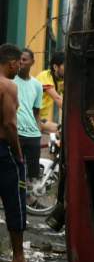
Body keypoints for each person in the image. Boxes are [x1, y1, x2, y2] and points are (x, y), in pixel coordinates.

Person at [0, 44, 27, 262]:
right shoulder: (8, 86)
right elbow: (9, 124)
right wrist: (18, 154)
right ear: (11, 63)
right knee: (14, 202)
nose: (20, 66)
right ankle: (18, 258)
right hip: (2, 151)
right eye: (19, 62)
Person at [14, 49, 43, 182]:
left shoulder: (37, 85)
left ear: (32, 62)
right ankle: (16, 199)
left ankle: (31, 200)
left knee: (33, 173)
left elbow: (36, 111)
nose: (21, 62)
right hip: (15, 133)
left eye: (25, 60)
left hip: (33, 135)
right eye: (19, 59)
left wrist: (38, 132)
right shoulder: (10, 81)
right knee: (15, 169)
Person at [37, 51, 64, 132]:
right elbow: (57, 98)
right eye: (65, 66)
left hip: (39, 118)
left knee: (61, 129)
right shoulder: (45, 76)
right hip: (27, 115)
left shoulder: (61, 80)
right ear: (55, 67)